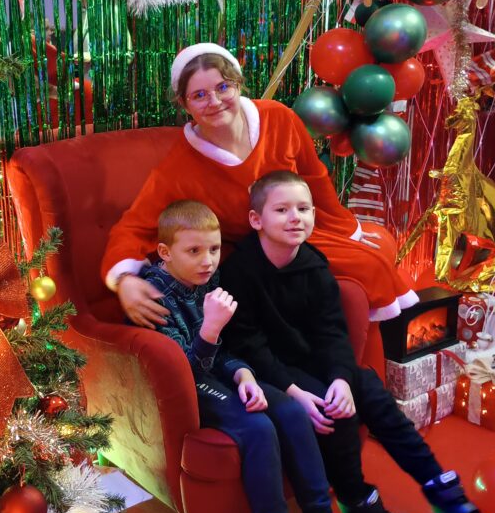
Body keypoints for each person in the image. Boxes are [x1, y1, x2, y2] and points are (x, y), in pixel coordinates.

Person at [219, 170, 495, 513]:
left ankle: (447, 499)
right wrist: (295, 391)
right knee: (332, 409)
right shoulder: (239, 271)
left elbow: (332, 333)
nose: (295, 218)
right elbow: (248, 345)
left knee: (369, 389)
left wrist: (342, 377)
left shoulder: (314, 265)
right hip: (267, 372)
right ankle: (359, 509)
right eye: (282, 210)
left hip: (311, 362)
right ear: (257, 220)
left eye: (303, 209)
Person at [135, 199, 385, 513]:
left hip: (221, 372)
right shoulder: (153, 296)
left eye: (214, 250)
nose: (207, 261)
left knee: (290, 411)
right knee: (257, 429)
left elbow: (228, 350)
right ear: (165, 252)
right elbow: (182, 371)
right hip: (187, 387)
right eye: (194, 251)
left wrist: (245, 374)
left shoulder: (211, 279)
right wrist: (211, 328)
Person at [100, 42, 419, 334]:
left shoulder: (280, 118)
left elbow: (314, 180)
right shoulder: (177, 168)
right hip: (250, 259)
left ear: (238, 84)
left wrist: (347, 231)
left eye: (222, 87)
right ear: (184, 104)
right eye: (199, 95)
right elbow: (134, 226)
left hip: (299, 235)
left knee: (372, 262)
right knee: (362, 269)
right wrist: (124, 279)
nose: (214, 102)